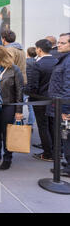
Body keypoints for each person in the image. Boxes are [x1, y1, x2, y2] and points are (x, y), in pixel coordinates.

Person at [0, 45, 24, 171]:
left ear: (3, 57)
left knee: (6, 132)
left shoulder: (14, 69)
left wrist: (19, 111)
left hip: (8, 105)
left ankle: (7, 158)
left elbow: (19, 91)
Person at [25, 39, 58, 162]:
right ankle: (56, 151)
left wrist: (25, 91)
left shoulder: (36, 65)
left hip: (40, 100)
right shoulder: (57, 61)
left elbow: (33, 86)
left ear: (39, 49)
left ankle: (48, 153)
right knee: (52, 125)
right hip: (54, 99)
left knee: (43, 127)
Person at [47, 33, 70, 177]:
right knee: (65, 137)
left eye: (62, 43)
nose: (58, 45)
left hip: (64, 107)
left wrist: (65, 109)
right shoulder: (63, 59)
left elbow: (68, 87)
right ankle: (68, 162)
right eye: (59, 43)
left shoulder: (68, 61)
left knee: (67, 136)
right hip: (60, 105)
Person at [25, 47, 37, 126]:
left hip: (24, 87)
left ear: (27, 53)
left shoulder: (24, 62)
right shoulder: (37, 62)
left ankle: (15, 122)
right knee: (31, 108)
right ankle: (30, 124)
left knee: (17, 106)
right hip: (32, 88)